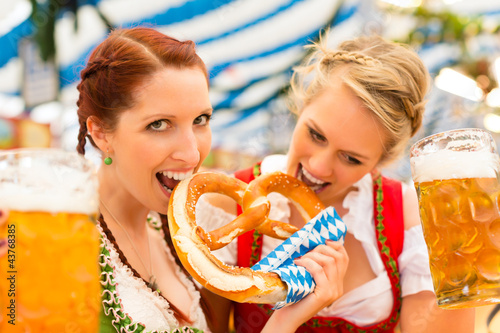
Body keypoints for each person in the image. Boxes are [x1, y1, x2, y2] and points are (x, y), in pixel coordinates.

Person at [74, 26, 347, 333]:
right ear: (100, 133)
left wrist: (290, 313)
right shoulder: (53, 242)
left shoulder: (177, 238)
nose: (192, 155)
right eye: (160, 124)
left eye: (200, 120)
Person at [197, 34, 476, 332]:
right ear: (301, 107)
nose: (318, 166)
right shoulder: (227, 204)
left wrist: (465, 255)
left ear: (380, 162)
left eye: (351, 159)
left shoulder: (410, 219)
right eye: (316, 135)